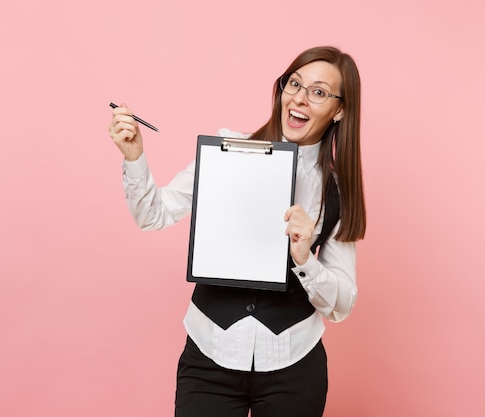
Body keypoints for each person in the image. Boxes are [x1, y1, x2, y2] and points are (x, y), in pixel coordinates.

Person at [108, 45, 366, 417]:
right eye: (294, 83)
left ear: (340, 110)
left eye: (319, 92)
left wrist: (306, 257)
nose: (300, 99)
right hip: (209, 358)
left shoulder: (336, 191)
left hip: (294, 368)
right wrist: (134, 156)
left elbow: (342, 306)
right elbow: (154, 214)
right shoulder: (228, 150)